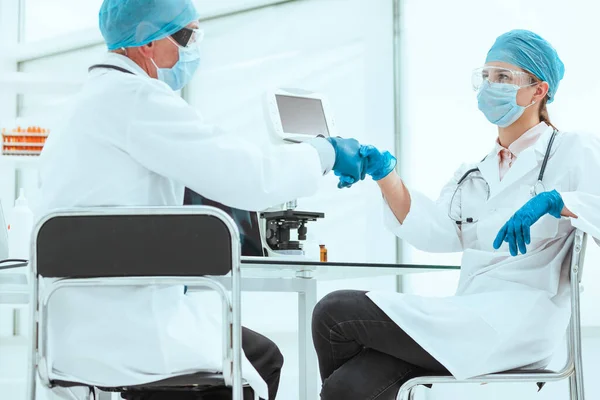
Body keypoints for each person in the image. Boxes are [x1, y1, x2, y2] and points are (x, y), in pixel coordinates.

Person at [36, 1, 366, 399]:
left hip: (66, 342)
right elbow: (252, 177)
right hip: (141, 337)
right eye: (187, 36)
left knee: (245, 345)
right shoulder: (140, 100)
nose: (192, 50)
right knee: (266, 359)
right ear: (147, 44)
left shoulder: (81, 107)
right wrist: (325, 152)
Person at [313, 29, 600, 400]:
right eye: (485, 77)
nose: (488, 87)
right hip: (467, 315)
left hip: (522, 320)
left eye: (502, 78)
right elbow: (437, 232)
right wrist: (386, 175)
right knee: (348, 387)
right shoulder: (474, 172)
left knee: (334, 310)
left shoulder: (572, 150)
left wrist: (556, 200)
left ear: (538, 91)